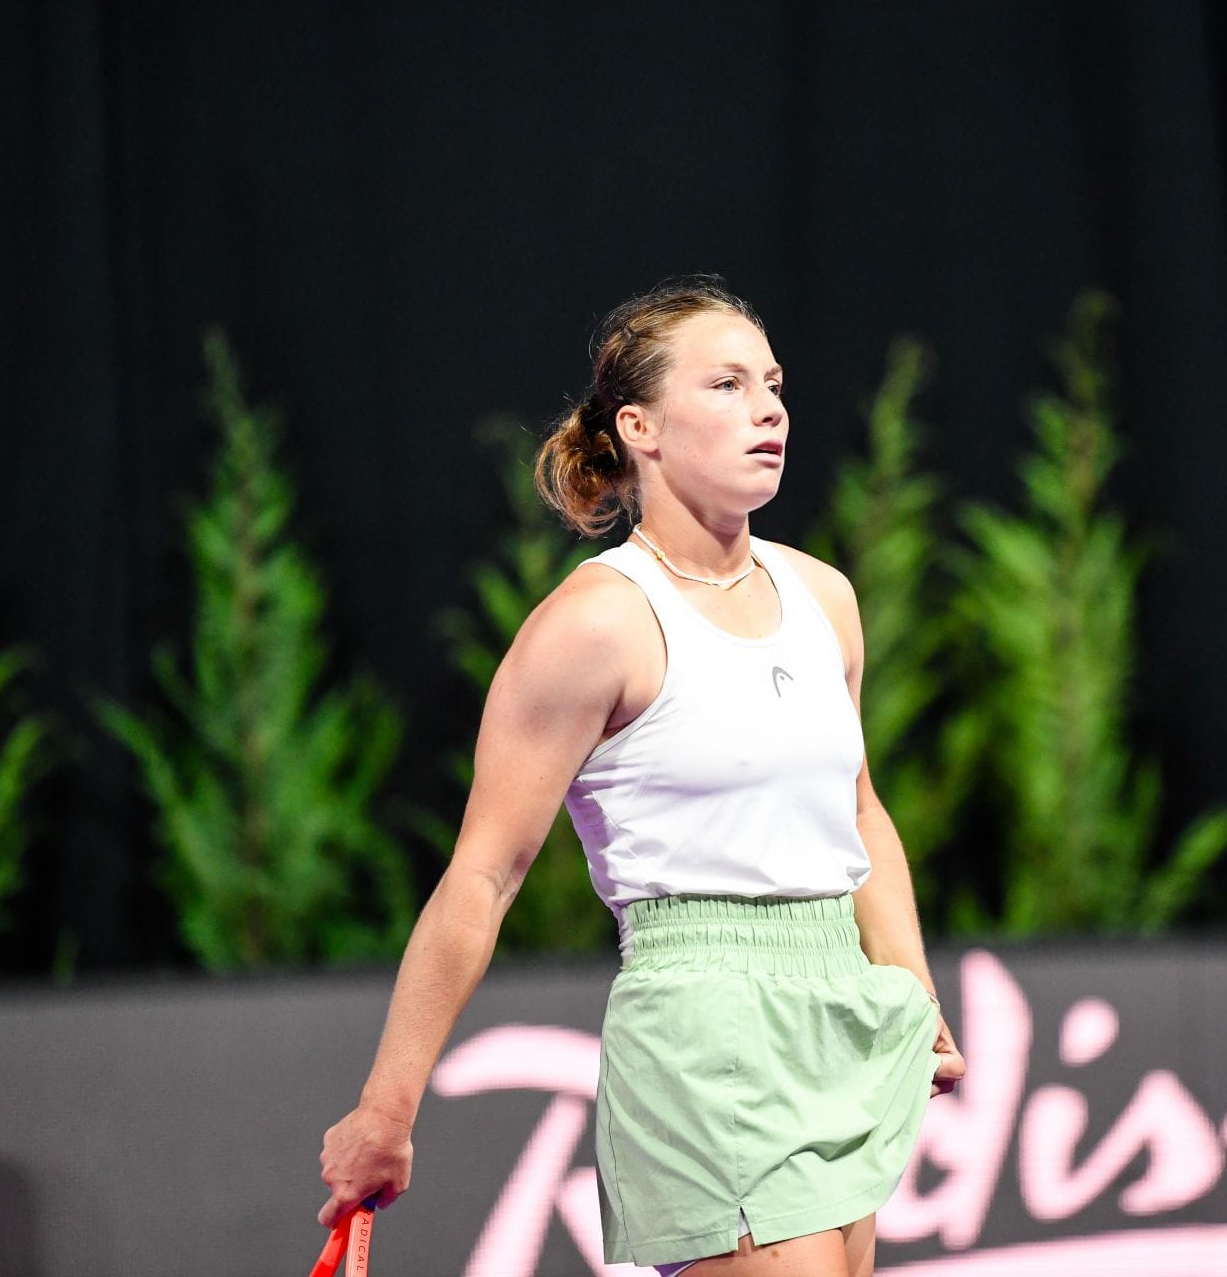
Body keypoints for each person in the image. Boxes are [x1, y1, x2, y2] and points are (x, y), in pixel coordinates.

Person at [316, 276, 966, 1277]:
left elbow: (860, 811)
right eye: (728, 383)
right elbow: (483, 875)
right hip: (704, 1030)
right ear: (641, 425)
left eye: (775, 383)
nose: (770, 408)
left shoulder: (825, 597)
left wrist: (912, 988)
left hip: (844, 1007)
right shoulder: (596, 622)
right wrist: (387, 1107)